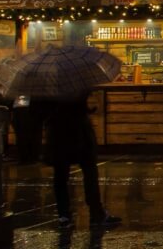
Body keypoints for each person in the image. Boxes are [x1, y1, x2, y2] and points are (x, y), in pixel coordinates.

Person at [33, 96, 120, 226]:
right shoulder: (74, 85)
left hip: (58, 134)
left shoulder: (46, 88)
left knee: (61, 175)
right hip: (79, 133)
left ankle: (64, 215)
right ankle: (96, 212)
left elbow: (39, 113)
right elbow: (80, 106)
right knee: (89, 171)